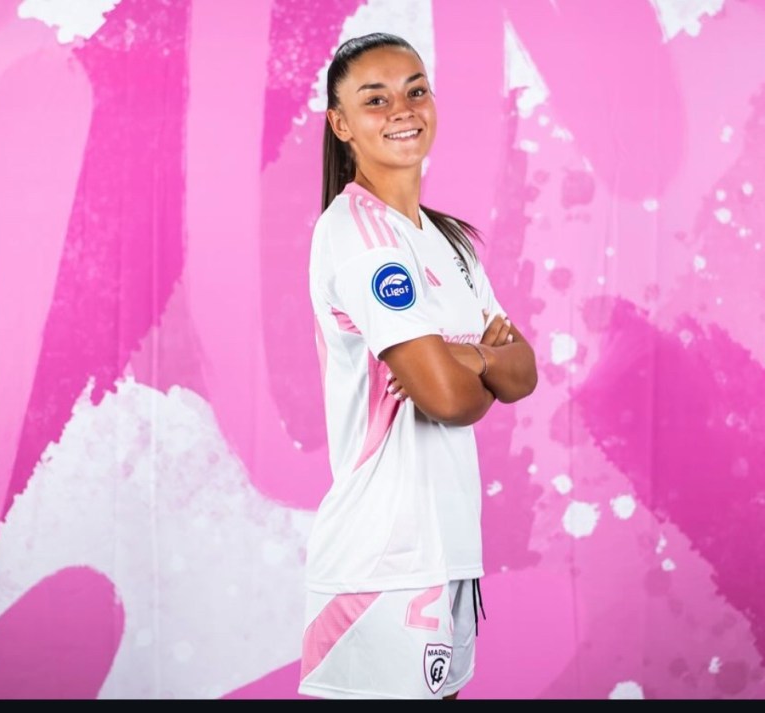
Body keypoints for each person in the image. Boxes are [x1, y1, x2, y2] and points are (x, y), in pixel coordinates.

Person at [298, 32, 538, 700]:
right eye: (375, 99)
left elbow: (522, 372)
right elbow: (448, 400)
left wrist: (468, 358)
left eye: (416, 90)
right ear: (341, 124)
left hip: (449, 549)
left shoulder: (449, 242)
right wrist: (478, 369)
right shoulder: (360, 235)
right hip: (385, 561)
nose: (402, 109)